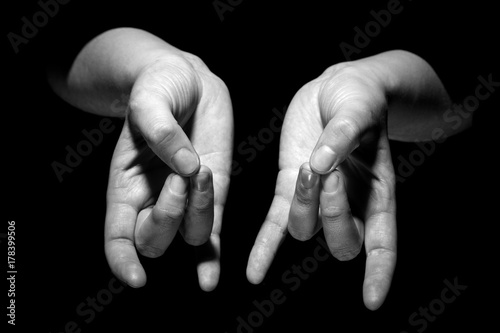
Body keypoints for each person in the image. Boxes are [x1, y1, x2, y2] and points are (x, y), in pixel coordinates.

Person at [47, 27, 470, 310]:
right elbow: (54, 58)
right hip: (136, 197)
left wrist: (376, 82)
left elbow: (462, 104)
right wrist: (149, 66)